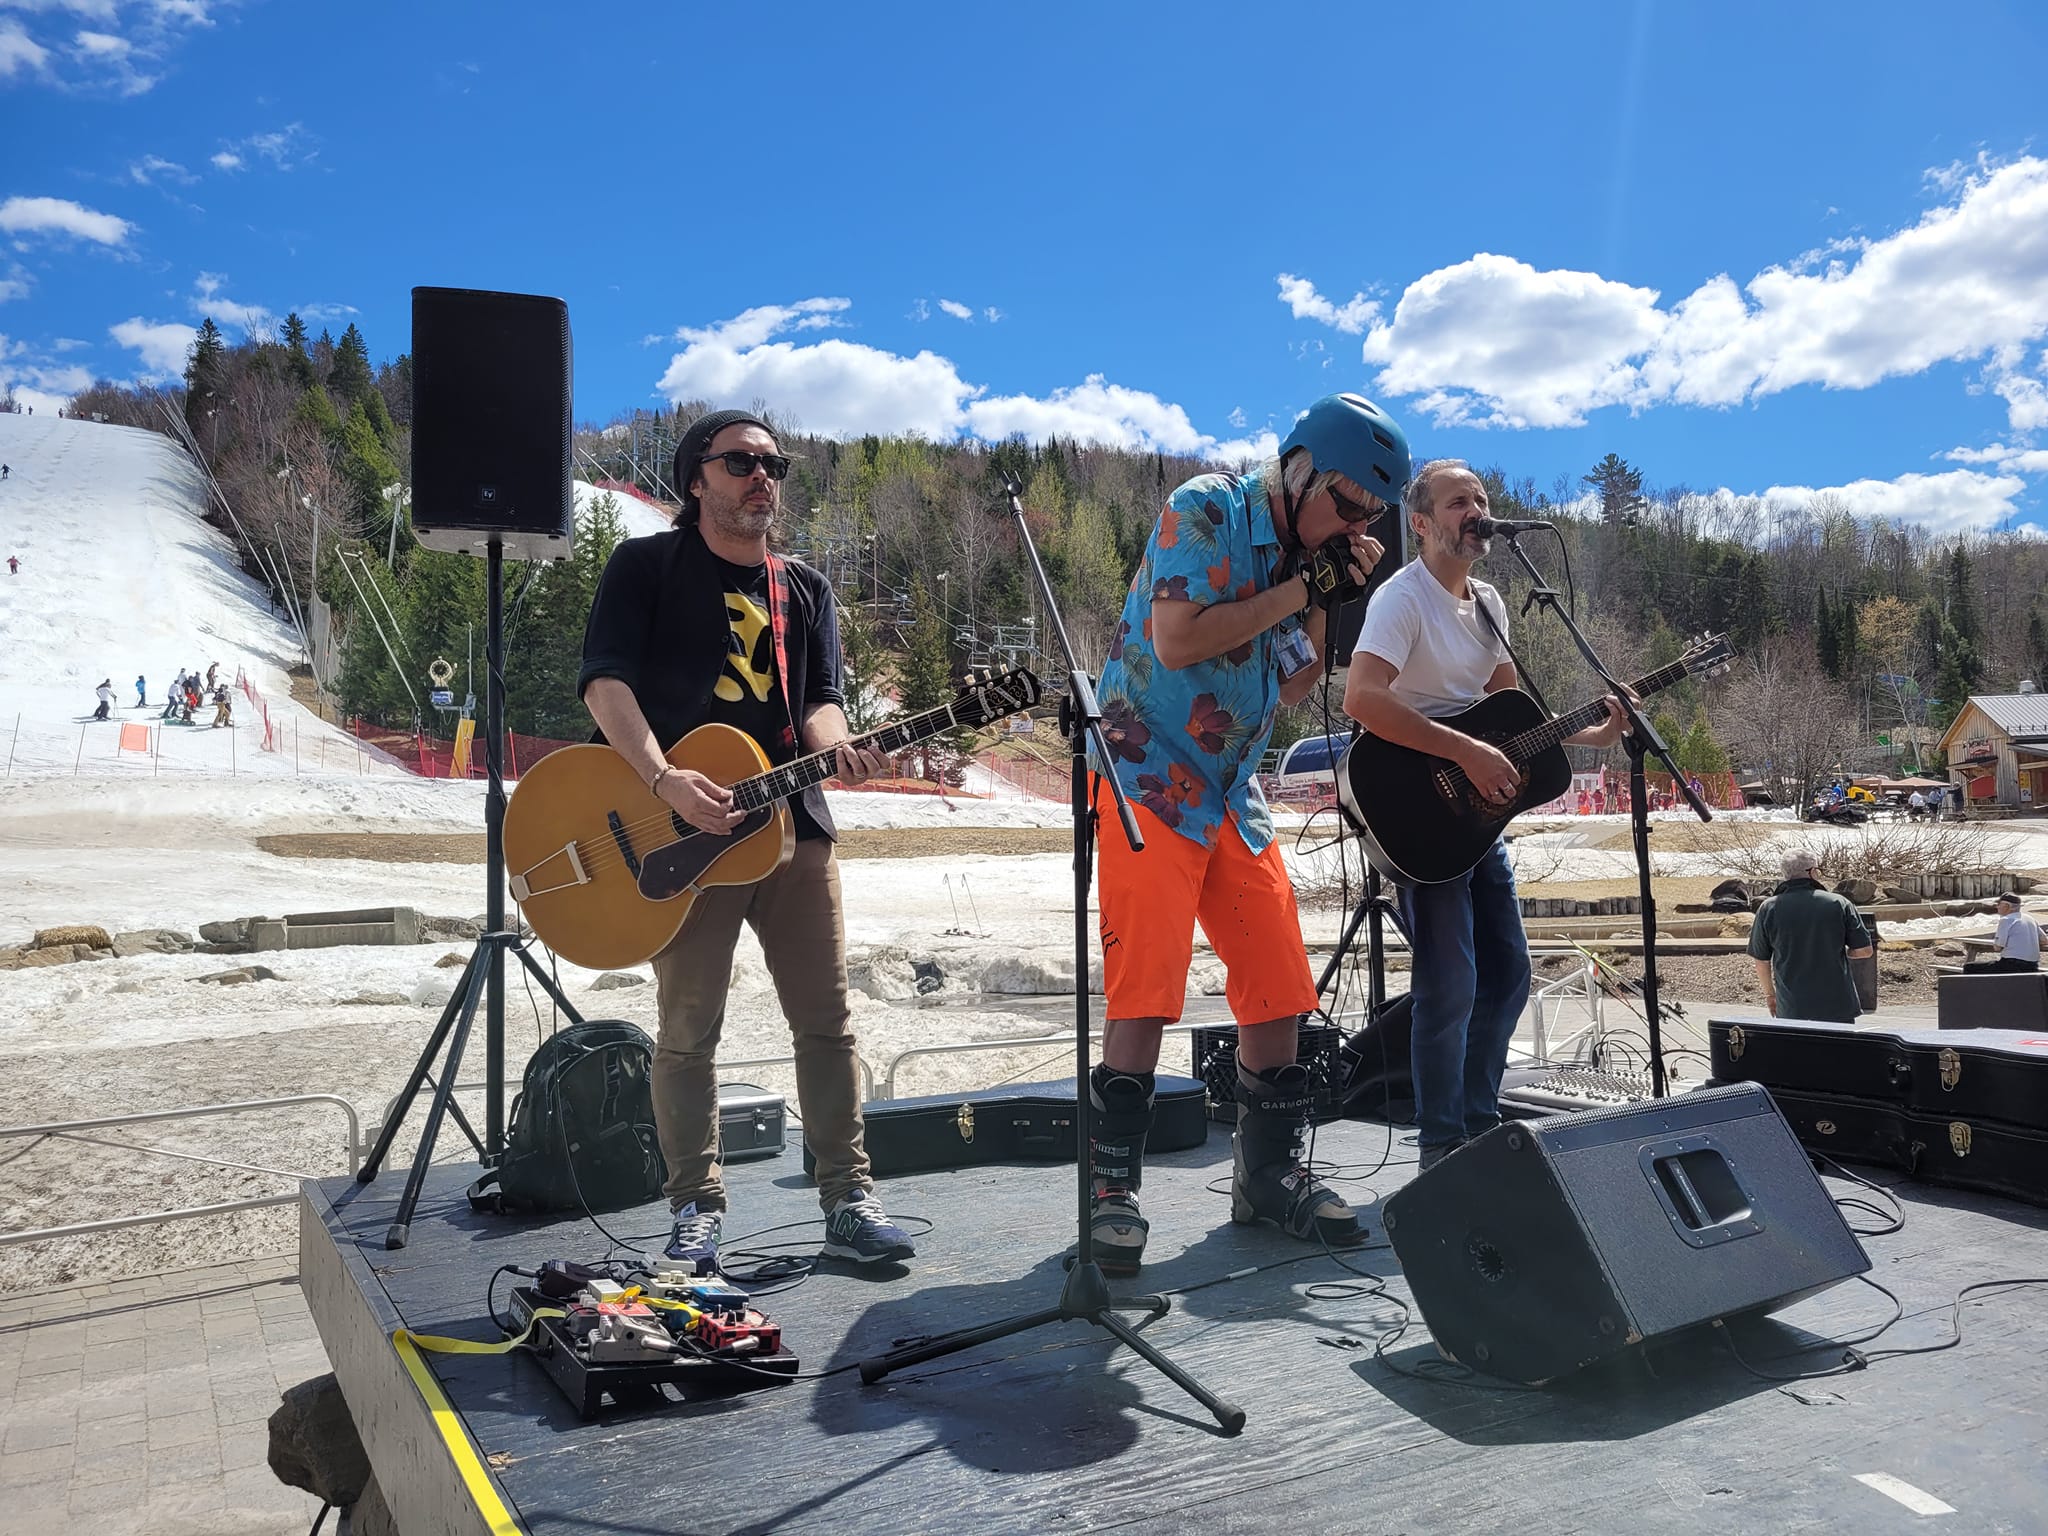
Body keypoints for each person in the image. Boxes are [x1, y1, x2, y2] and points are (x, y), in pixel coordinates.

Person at [578, 408, 914, 1272]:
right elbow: (605, 684)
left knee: (828, 1026)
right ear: (697, 478)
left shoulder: (802, 589)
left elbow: (819, 703)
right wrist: (663, 780)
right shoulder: (645, 565)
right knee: (689, 1031)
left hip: (794, 835)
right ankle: (696, 1208)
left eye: (775, 465)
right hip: (683, 838)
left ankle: (847, 1196)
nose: (762, 477)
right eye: (740, 463)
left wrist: (838, 743)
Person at [1087, 391, 1404, 1272]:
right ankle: (1113, 1190)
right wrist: (1306, 585)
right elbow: (1180, 640)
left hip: (1230, 788)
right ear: (1298, 470)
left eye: (1371, 515)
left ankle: (1265, 1178)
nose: (1355, 522)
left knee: (1279, 984)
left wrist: (1325, 599)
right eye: (1346, 503)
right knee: (1145, 982)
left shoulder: (1311, 556)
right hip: (1146, 765)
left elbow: (1297, 687)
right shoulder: (1206, 508)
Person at [1344, 460, 1629, 1171]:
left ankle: (1479, 1120)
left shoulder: (1493, 605)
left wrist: (1594, 733)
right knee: (1451, 982)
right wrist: (1464, 752)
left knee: (1507, 973)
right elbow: (1363, 699)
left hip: (1473, 826)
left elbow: (1512, 718)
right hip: (1415, 808)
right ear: (1421, 522)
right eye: (1458, 500)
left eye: (1482, 498)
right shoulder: (1400, 601)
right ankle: (1441, 1143)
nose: (1476, 509)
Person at [1748, 849, 1874, 1021]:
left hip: (1792, 1006)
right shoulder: (1839, 903)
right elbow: (1864, 951)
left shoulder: (1768, 908)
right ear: (1812, 872)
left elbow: (1761, 960)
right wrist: (1838, 953)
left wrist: (1770, 995)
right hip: (1837, 1005)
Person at [1966, 891, 2041, 973]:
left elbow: (1998, 947)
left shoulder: (2006, 920)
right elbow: (2044, 940)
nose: (1997, 907)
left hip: (2011, 965)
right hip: (2033, 966)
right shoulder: (2030, 919)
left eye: (1999, 904)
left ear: (2007, 906)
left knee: (1969, 967)